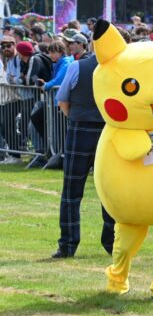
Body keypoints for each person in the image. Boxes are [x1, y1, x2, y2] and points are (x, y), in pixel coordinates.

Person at [52, 42, 115, 258]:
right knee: (110, 191)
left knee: (71, 191)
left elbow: (62, 100)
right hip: (110, 131)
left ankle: (68, 245)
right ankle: (113, 243)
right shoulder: (119, 68)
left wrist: (76, 118)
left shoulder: (77, 67)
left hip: (80, 129)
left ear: (92, 45)